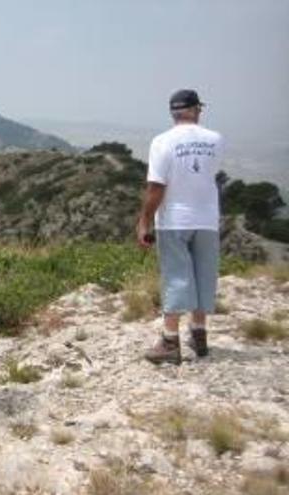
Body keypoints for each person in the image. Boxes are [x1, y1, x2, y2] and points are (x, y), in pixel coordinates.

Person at [136, 89, 223, 365]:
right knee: (203, 275)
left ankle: (170, 341)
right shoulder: (215, 140)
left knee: (176, 276)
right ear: (196, 109)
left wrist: (144, 220)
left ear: (173, 112)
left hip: (174, 219)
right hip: (207, 219)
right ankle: (199, 336)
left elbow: (156, 187)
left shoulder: (162, 142)